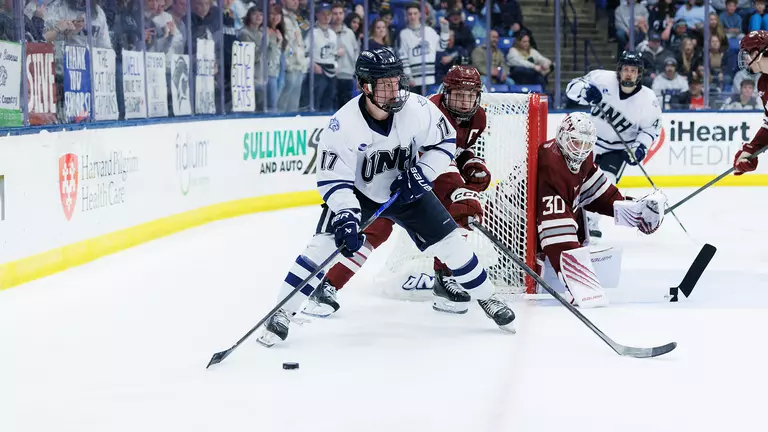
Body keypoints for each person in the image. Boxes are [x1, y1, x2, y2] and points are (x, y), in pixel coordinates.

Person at [256, 50, 514, 347]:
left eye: (396, 82)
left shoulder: (417, 108)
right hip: (360, 195)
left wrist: (423, 173)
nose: (394, 91)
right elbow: (333, 179)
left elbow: (444, 142)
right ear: (365, 86)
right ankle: (281, 312)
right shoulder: (343, 125)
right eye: (385, 85)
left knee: (452, 242)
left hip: (408, 191)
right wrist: (346, 213)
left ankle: (488, 297)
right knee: (322, 246)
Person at [302, 64, 489, 318]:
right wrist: (457, 183)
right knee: (374, 231)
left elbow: (458, 149)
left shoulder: (479, 118)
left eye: (470, 95)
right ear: (445, 92)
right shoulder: (428, 108)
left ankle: (445, 279)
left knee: (457, 218)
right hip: (397, 179)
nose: (465, 101)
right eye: (458, 94)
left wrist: (472, 163)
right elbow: (426, 153)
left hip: (423, 182)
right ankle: (328, 285)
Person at [535, 112, 666, 308]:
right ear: (562, 137)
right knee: (568, 219)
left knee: (577, 208)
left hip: (536, 223)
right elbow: (556, 230)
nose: (581, 149)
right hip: (512, 228)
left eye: (586, 144)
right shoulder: (551, 164)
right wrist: (578, 281)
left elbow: (600, 195)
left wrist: (635, 212)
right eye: (576, 142)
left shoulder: (580, 158)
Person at [565, 50, 662, 238]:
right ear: (619, 70)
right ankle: (569, 216)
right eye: (626, 69)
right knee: (574, 180)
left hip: (618, 149)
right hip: (589, 141)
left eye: (633, 71)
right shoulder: (601, 79)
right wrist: (584, 91)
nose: (629, 74)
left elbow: (651, 129)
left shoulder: (648, 99)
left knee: (604, 184)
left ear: (639, 74)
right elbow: (571, 88)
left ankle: (590, 223)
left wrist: (640, 148)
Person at [733, 30, 768, 175]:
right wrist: (751, 149)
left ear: (757, 53)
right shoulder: (763, 83)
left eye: (746, 54)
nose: (746, 60)